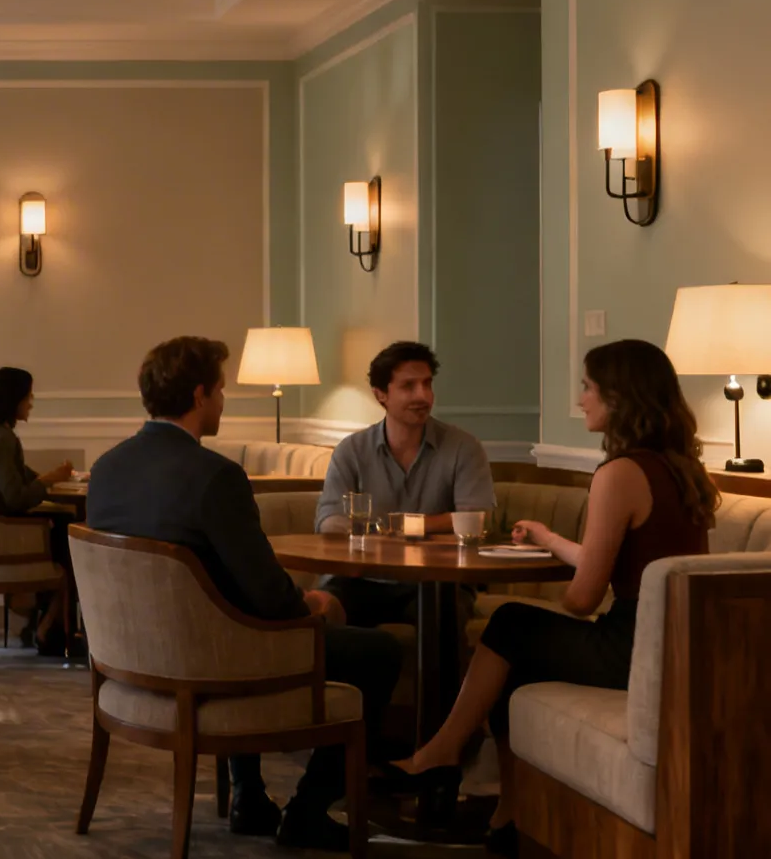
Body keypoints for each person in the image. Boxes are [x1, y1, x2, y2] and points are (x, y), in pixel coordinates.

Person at [392, 339, 716, 856]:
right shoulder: (679, 468)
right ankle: (507, 813)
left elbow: (583, 599)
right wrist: (547, 538)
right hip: (673, 645)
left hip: (630, 650)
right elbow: (612, 556)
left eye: (587, 388)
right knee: (517, 662)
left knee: (510, 626)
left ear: (618, 397)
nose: (581, 399)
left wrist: (571, 586)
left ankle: (443, 750)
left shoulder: (619, 474)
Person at [87, 336, 400, 852]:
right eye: (222, 391)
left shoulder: (107, 468)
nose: (224, 402)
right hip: (209, 663)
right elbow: (270, 598)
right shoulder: (217, 477)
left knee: (231, 617)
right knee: (380, 652)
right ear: (199, 394)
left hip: (132, 666)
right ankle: (307, 809)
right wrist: (313, 607)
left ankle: (249, 796)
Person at [312, 341, 496, 630]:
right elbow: (330, 521)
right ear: (380, 394)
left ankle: (448, 678)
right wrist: (392, 529)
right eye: (409, 386)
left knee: (444, 616)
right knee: (319, 608)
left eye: (427, 384)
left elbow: (476, 519)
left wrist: (407, 526)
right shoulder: (352, 450)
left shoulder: (464, 447)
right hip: (360, 579)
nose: (423, 395)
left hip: (439, 580)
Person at [0, 366, 75, 653]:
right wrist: (47, 483)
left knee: (60, 528)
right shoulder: (2, 439)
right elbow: (15, 498)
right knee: (71, 538)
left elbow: (15, 473)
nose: (31, 402)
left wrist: (48, 477)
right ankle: (50, 628)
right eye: (28, 396)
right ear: (14, 400)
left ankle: (39, 620)